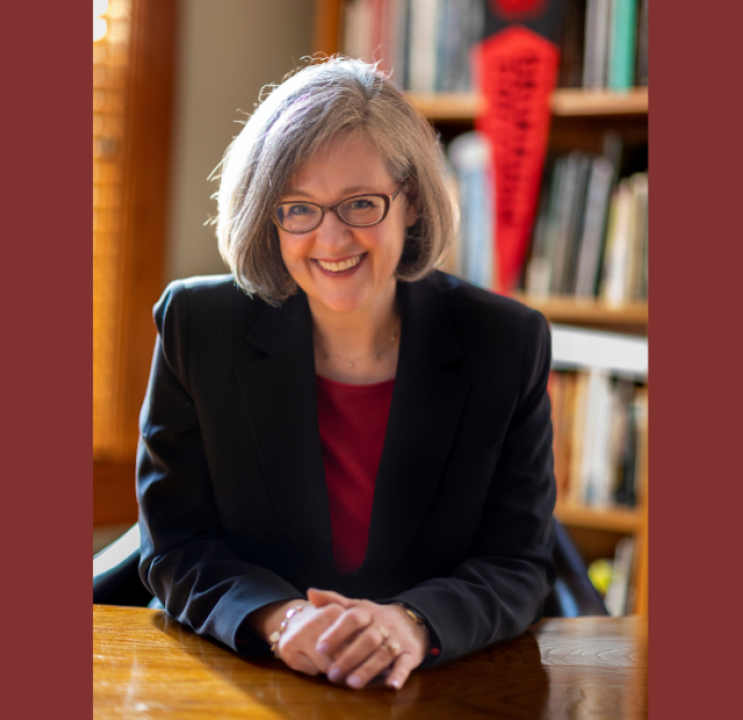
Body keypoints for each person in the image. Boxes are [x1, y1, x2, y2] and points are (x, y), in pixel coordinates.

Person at [136, 57, 556, 691]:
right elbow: (176, 545)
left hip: (431, 691)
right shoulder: (199, 326)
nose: (331, 240)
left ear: (411, 201)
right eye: (298, 208)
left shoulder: (506, 342)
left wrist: (411, 624)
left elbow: (516, 562)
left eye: (361, 203)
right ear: (266, 215)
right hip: (240, 682)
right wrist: (284, 621)